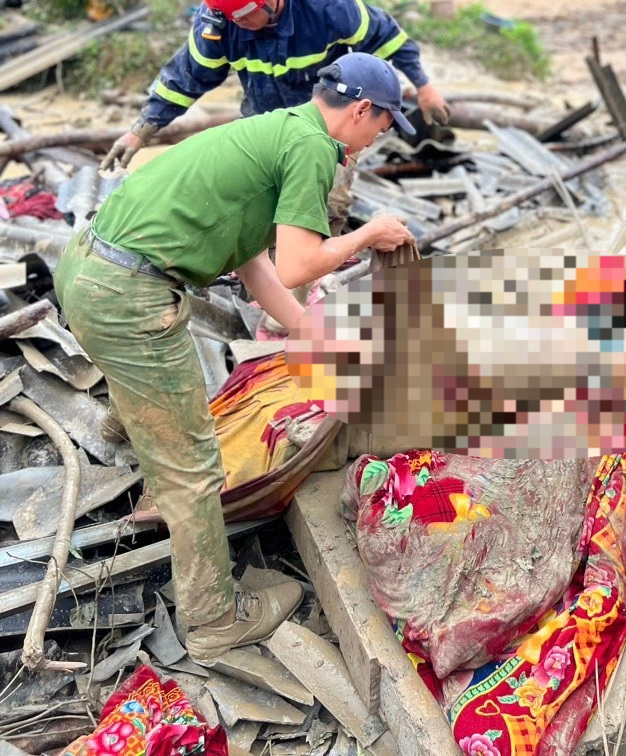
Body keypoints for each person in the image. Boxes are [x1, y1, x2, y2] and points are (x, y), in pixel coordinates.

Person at [55, 53, 418, 664]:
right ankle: (213, 619)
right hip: (126, 297)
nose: (378, 139)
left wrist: (308, 333)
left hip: (87, 270)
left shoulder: (277, 129)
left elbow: (255, 264)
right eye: (382, 127)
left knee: (164, 390)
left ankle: (125, 428)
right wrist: (367, 235)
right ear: (361, 110)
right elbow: (300, 265)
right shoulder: (311, 149)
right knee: (196, 467)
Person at [100, 0, 449, 171]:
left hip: (328, 130)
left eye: (244, 13)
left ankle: (311, 275)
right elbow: (185, 79)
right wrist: (141, 130)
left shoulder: (330, 7)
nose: (236, 21)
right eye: (228, 15)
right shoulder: (219, 21)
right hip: (263, 124)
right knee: (253, 207)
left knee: (323, 209)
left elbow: (389, 37)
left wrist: (424, 85)